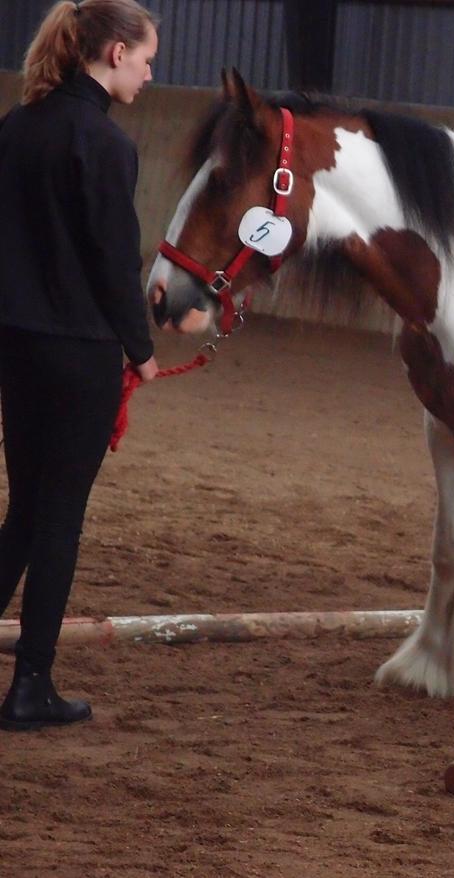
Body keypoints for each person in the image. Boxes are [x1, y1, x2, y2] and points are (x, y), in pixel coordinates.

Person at [0, 0, 160, 730]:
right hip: (79, 352)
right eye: (147, 60)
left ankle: (30, 681)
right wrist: (143, 350)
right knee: (59, 521)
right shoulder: (106, 144)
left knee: (25, 512)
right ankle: (30, 685)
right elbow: (112, 261)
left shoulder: (17, 127)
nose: (150, 75)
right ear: (116, 53)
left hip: (17, 345)